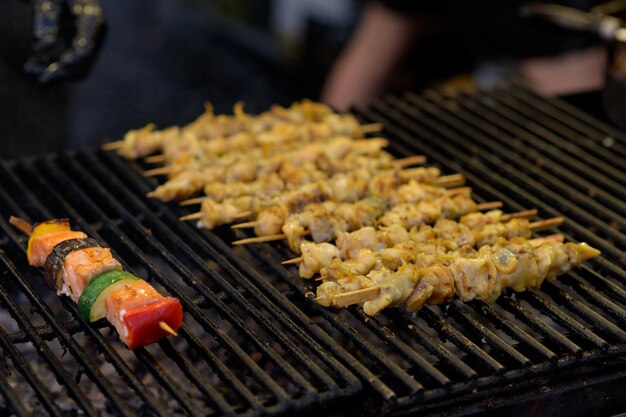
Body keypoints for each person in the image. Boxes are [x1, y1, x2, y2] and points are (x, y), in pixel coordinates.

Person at [321, 0, 606, 111]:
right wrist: (326, 133)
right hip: (475, 97)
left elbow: (577, 85)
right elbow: (373, 50)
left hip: (558, 98)